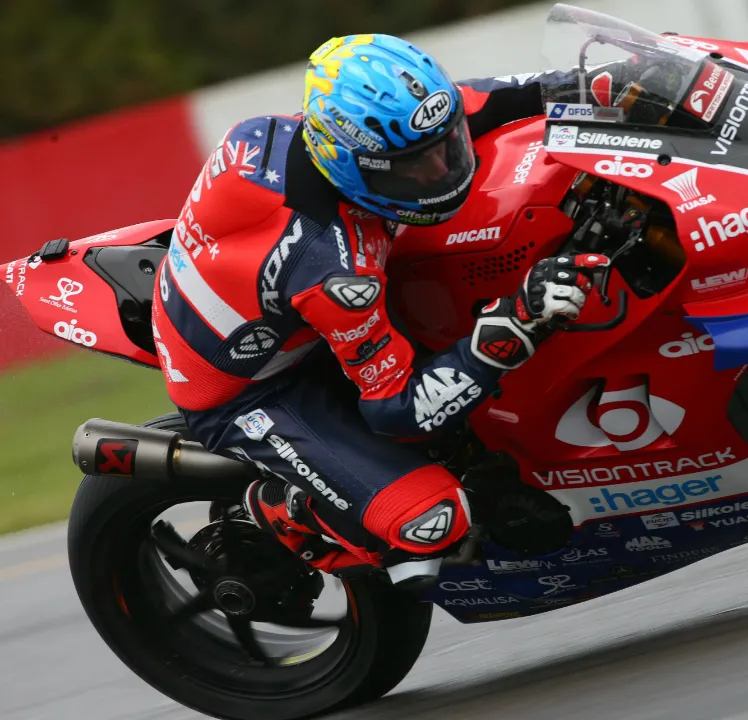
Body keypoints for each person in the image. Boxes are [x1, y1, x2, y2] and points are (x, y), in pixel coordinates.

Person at [149, 33, 613, 584]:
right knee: (433, 520)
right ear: (350, 163)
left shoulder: (368, 128)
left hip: (275, 307)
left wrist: (617, 83)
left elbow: (491, 101)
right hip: (257, 390)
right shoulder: (333, 272)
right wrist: (518, 322)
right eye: (412, 166)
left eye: (447, 146)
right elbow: (397, 410)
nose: (441, 171)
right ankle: (284, 511)